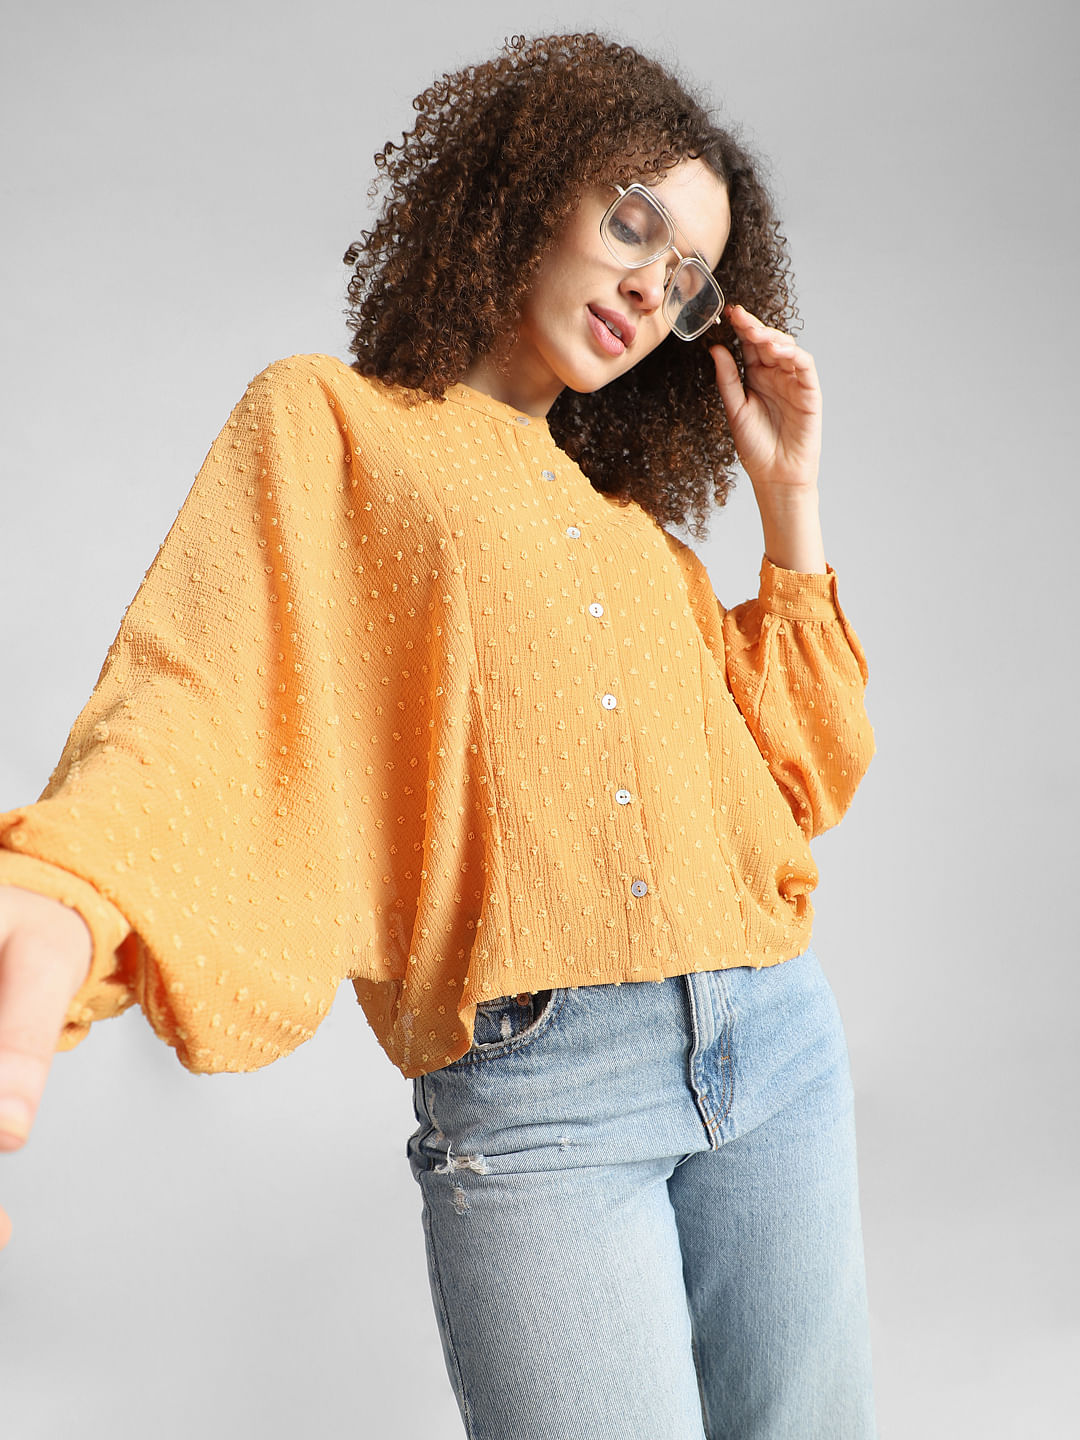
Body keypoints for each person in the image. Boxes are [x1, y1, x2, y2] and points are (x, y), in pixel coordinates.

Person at [0, 31, 878, 1440]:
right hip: (543, 1091)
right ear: (533, 188)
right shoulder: (331, 424)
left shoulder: (638, 545)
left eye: (688, 280)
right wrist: (61, 894)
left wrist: (791, 499)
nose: (651, 285)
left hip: (776, 1043)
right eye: (633, 222)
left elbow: (803, 774)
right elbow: (196, 689)